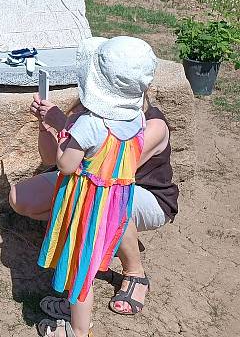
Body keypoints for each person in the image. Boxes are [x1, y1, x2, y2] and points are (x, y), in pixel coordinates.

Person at [16, 36, 158, 337]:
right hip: (113, 206)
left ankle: (79, 330)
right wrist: (64, 121)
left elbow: (65, 165)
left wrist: (60, 132)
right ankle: (72, 309)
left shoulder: (89, 124)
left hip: (86, 205)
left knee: (80, 272)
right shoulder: (137, 119)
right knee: (89, 260)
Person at [11, 92, 178, 321]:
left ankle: (135, 272)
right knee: (22, 198)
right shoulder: (86, 110)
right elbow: (52, 159)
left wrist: (66, 125)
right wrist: (46, 127)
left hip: (141, 195)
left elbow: (112, 173)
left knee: (107, 206)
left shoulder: (151, 124)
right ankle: (100, 238)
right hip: (85, 181)